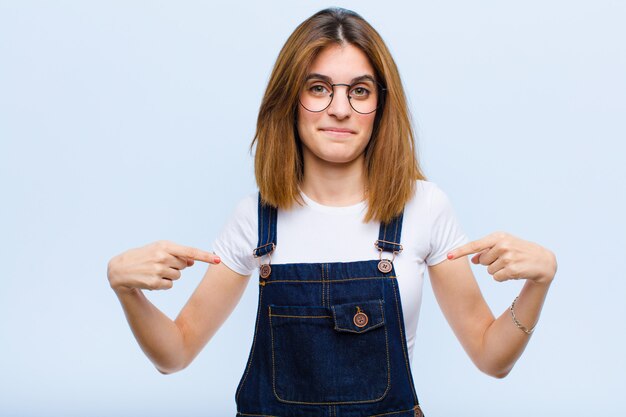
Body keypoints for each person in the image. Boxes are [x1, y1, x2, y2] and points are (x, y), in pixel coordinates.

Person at [107, 7, 557, 417]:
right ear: (290, 100)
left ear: (381, 105)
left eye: (359, 91)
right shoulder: (255, 219)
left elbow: (491, 358)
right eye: (318, 88)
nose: (339, 109)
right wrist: (127, 289)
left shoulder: (424, 207)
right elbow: (175, 353)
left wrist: (539, 282)